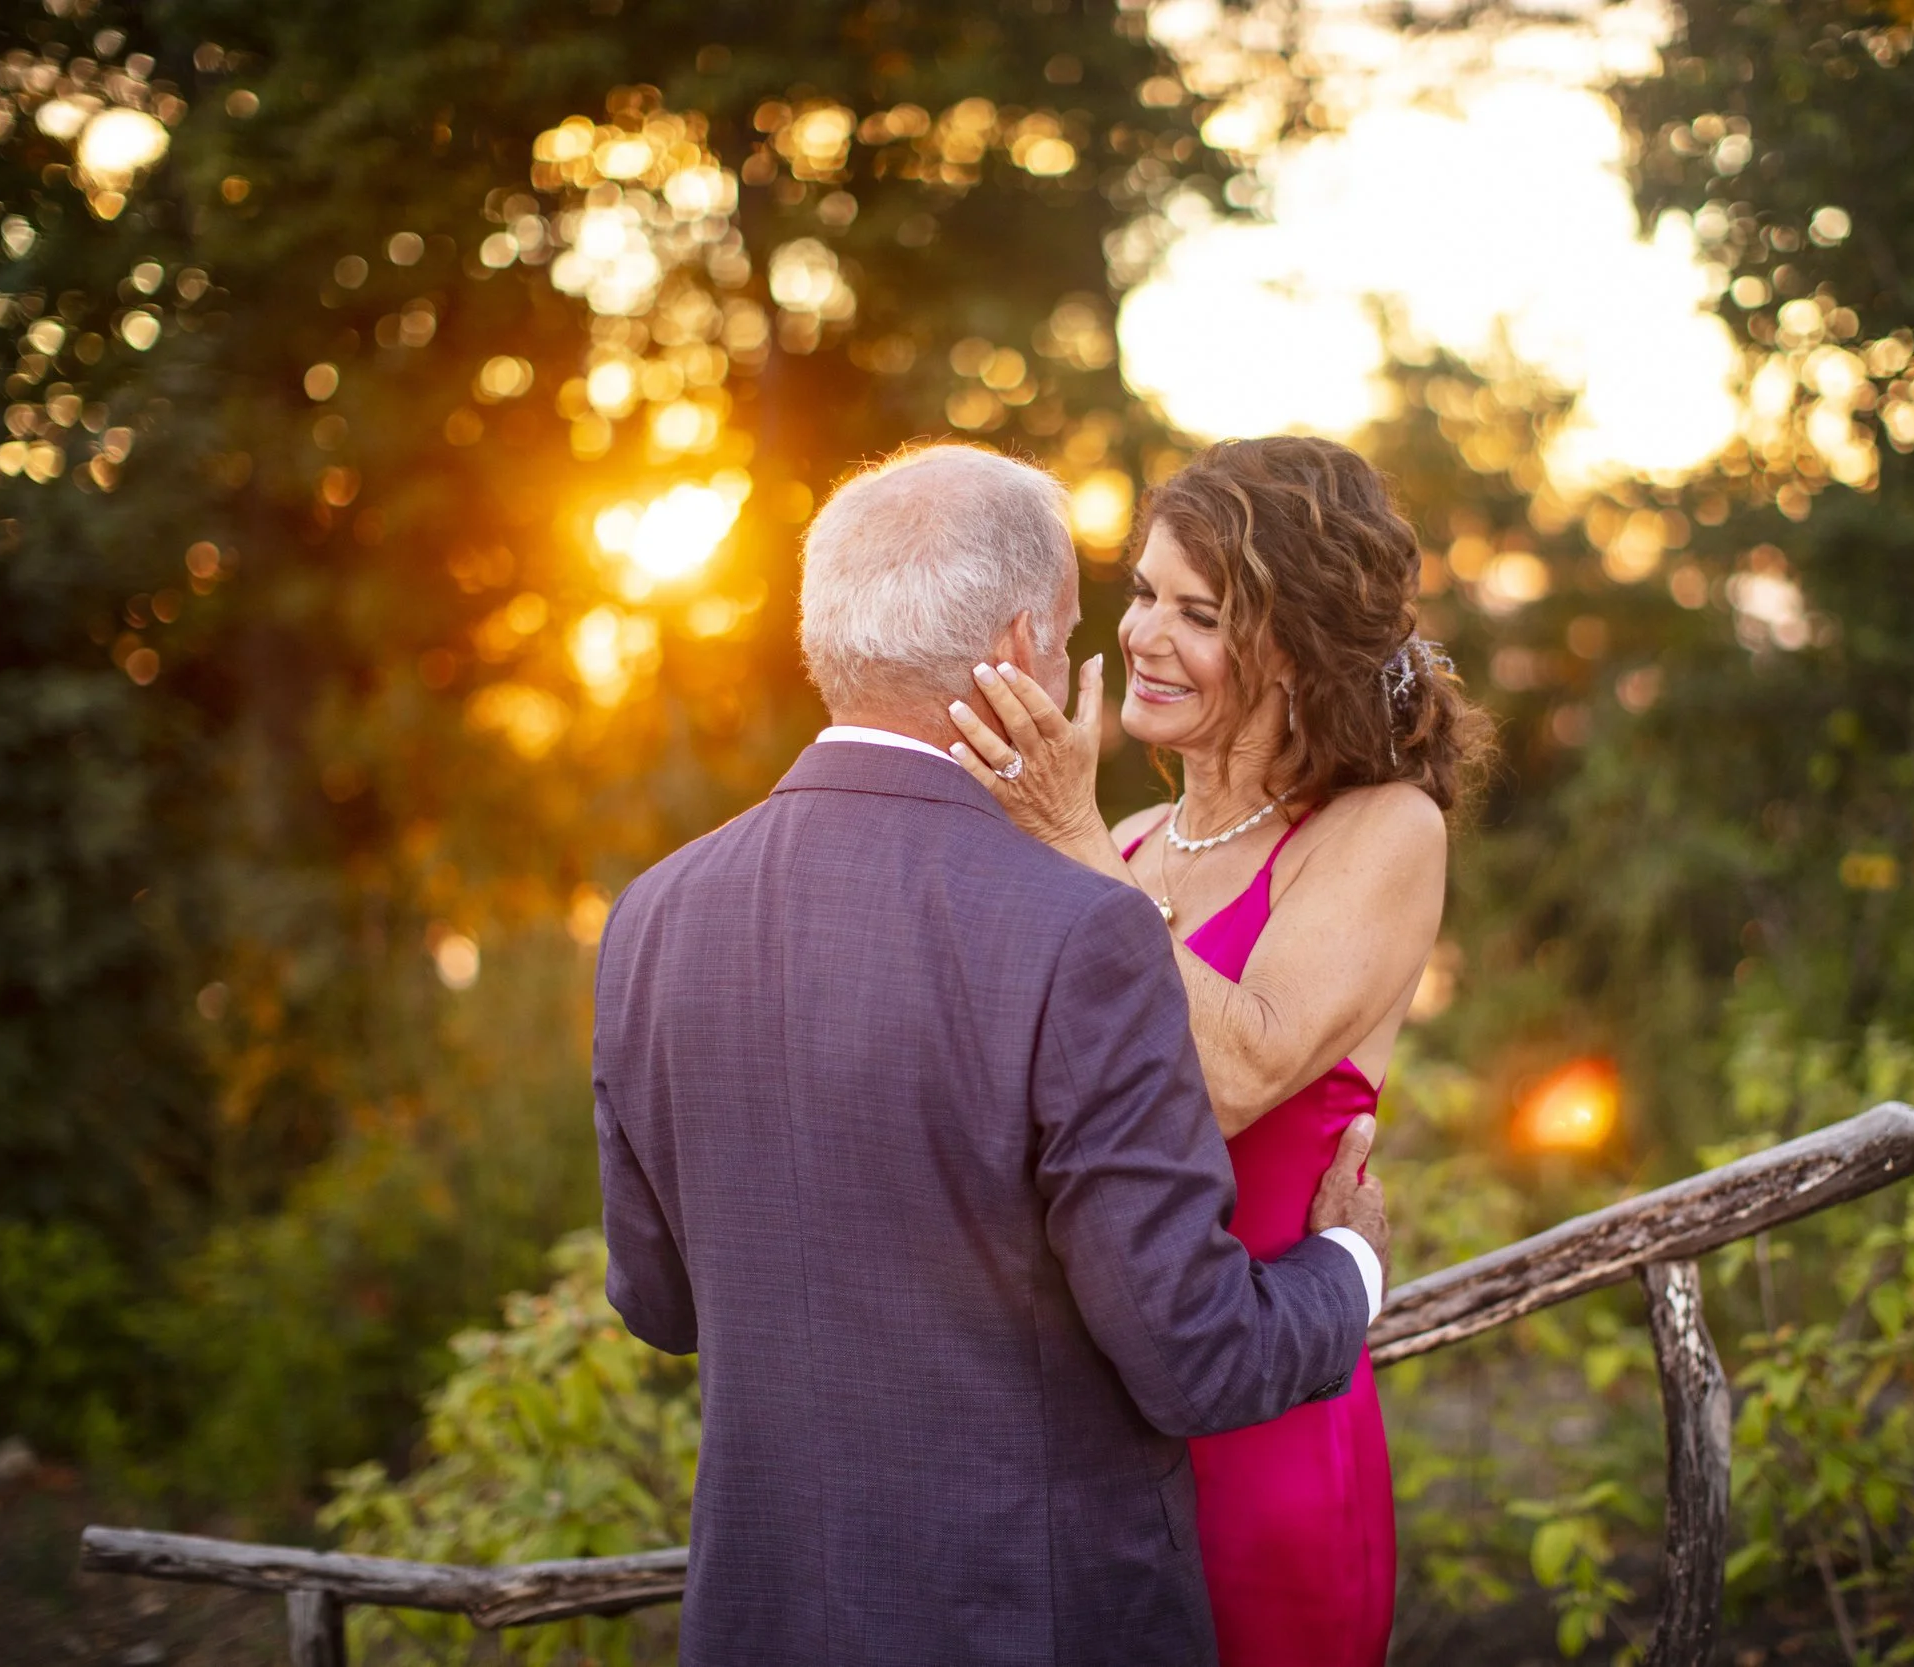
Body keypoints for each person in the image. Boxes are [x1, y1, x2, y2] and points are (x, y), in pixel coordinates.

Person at [591, 443, 1393, 1667]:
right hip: (1031, 1621)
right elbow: (1197, 1358)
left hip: (763, 1617)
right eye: (1087, 622)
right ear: (1022, 642)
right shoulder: (1083, 927)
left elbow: (660, 1301)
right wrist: (1350, 1266)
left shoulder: (652, 910)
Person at [945, 435, 1492, 1667]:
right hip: (1090, 1432)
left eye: (1198, 612)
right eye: (1143, 591)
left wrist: (1066, 837)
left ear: (1292, 649)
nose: (1142, 633)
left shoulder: (1376, 830)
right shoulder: (1126, 838)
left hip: (1263, 1419)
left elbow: (1236, 1073)